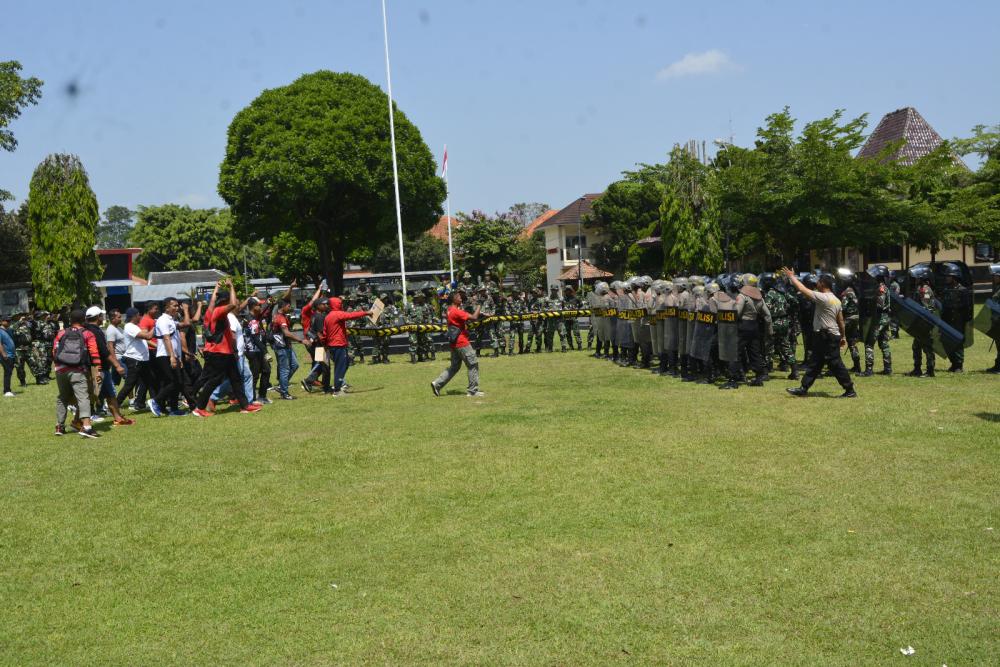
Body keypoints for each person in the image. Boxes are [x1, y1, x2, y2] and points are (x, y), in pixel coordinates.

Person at [781, 268, 857, 398]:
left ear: (822, 284)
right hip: (827, 335)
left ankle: (849, 389)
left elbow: (802, 289)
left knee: (835, 364)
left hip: (827, 336)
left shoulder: (823, 298)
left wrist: (791, 277)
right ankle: (803, 388)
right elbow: (841, 321)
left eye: (818, 282)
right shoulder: (836, 300)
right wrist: (843, 336)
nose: (817, 284)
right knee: (815, 363)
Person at [193, 281, 261, 416]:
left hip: (226, 352)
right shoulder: (219, 312)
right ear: (224, 302)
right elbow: (234, 304)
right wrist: (231, 286)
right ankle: (199, 408)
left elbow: (213, 301)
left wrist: (217, 287)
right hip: (219, 353)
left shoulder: (211, 310)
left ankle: (244, 405)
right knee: (214, 381)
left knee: (236, 379)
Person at [53, 309, 103, 438]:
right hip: (78, 370)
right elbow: (94, 352)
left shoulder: (61, 333)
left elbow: (55, 351)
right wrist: (98, 369)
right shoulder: (87, 333)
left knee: (62, 397)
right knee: (83, 397)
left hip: (61, 370)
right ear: (84, 320)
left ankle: (60, 426)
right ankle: (86, 427)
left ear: (70, 320)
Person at [83, 307, 135, 426]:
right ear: (97, 317)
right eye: (102, 315)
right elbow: (105, 351)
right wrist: (117, 365)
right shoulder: (95, 331)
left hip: (98, 367)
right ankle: (79, 417)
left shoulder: (89, 329)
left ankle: (118, 417)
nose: (103, 317)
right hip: (97, 368)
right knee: (94, 394)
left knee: (108, 393)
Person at [430, 291, 484, 397]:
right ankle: (473, 391)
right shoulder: (456, 311)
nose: (461, 298)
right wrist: (479, 305)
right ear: (453, 299)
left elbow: (462, 318)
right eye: (458, 297)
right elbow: (474, 317)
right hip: (462, 342)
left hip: (454, 343)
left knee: (454, 367)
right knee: (473, 364)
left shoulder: (449, 310)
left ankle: (437, 384)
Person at [321, 296, 372, 396]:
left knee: (344, 364)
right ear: (337, 304)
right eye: (340, 303)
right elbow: (352, 315)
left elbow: (324, 334)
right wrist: (366, 313)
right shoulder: (337, 314)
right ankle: (337, 390)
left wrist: (325, 345)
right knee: (340, 367)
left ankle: (338, 385)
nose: (342, 304)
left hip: (332, 345)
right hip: (339, 345)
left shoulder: (328, 316)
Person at [115, 307, 157, 409]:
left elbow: (144, 340)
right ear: (134, 316)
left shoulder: (135, 326)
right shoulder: (130, 326)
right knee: (130, 384)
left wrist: (156, 346)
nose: (140, 317)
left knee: (147, 381)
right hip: (134, 359)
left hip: (142, 359)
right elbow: (147, 336)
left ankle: (140, 403)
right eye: (139, 315)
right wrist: (156, 326)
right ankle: (115, 405)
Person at [270, 299, 304, 399]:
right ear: (283, 306)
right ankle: (284, 393)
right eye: (289, 306)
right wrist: (301, 340)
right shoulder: (280, 318)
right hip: (281, 347)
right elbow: (286, 333)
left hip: (287, 346)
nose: (290, 308)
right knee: (284, 370)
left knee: (295, 365)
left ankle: (282, 386)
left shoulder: (282, 316)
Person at [908, 269, 938, 378]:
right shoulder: (920, 288)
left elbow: (926, 307)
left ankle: (930, 371)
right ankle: (917, 369)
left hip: (925, 322)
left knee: (927, 347)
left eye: (917, 277)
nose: (915, 279)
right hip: (919, 322)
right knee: (916, 346)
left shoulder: (925, 289)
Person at [104, 309, 126, 385]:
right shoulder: (111, 330)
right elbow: (110, 347)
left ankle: (130, 397)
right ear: (113, 319)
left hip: (122, 358)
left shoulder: (118, 328)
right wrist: (116, 363)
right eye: (119, 317)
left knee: (114, 382)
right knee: (129, 379)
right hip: (118, 358)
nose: (121, 318)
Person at [0, 315, 15, 396]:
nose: (9, 322)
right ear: (1, 322)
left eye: (10, 320)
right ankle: (6, 391)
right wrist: (3, 354)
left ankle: (8, 389)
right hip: (6, 355)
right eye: (7, 320)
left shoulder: (9, 330)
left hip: (11, 355)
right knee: (7, 372)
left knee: (9, 372)